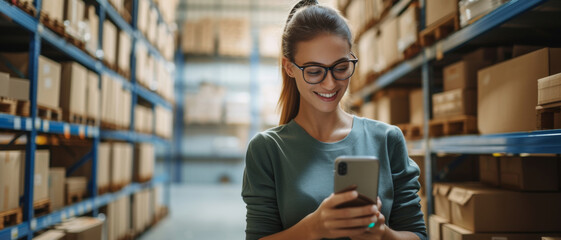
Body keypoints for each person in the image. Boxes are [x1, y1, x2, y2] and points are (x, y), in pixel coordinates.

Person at [241, 0, 426, 239]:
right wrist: (313, 227)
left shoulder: (387, 139)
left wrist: (383, 234)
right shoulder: (267, 150)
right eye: (314, 71)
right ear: (289, 68)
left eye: (340, 67)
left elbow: (418, 235)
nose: (330, 84)